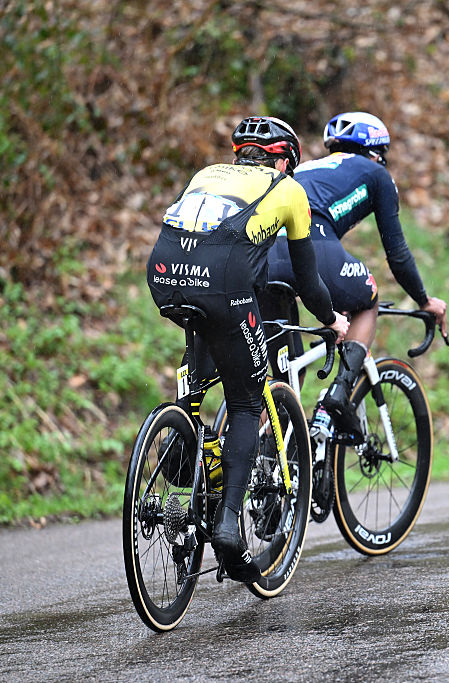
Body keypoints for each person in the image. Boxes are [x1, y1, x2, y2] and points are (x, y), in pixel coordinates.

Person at [146, 116, 349, 580]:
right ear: (284, 160)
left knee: (200, 358)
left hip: (163, 275)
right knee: (246, 398)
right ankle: (227, 527)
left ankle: (184, 433)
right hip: (223, 286)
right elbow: (307, 280)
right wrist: (332, 319)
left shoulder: (207, 174)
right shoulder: (289, 191)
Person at [266, 112, 448, 434]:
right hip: (312, 244)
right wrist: (423, 300)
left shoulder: (307, 168)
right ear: (376, 152)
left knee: (288, 376)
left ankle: (262, 453)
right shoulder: (376, 173)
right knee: (368, 297)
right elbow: (398, 254)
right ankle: (337, 395)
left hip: (264, 255)